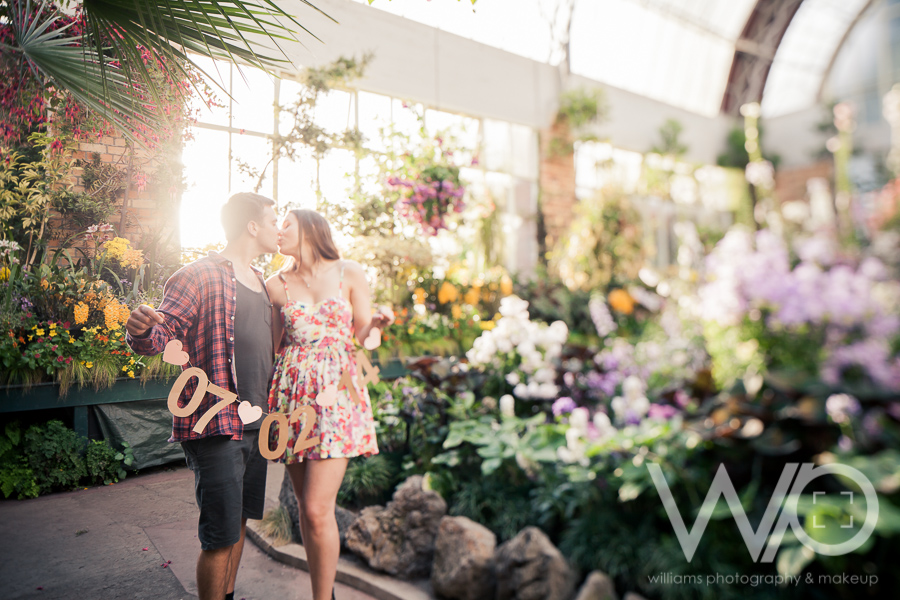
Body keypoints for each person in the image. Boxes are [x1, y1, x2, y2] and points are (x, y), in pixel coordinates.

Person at [125, 192, 280, 600]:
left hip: (256, 425)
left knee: (240, 523)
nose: (278, 228)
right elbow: (161, 333)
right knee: (219, 535)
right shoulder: (198, 275)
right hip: (216, 426)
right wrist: (141, 329)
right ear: (252, 225)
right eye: (273, 219)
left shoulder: (262, 281)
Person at [265, 209, 393, 600]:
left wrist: (377, 327)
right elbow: (274, 349)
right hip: (293, 402)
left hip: (337, 398)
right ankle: (326, 591)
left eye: (286, 223)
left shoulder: (349, 272)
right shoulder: (274, 285)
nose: (278, 230)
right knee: (305, 507)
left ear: (311, 228)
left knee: (319, 508)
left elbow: (364, 338)